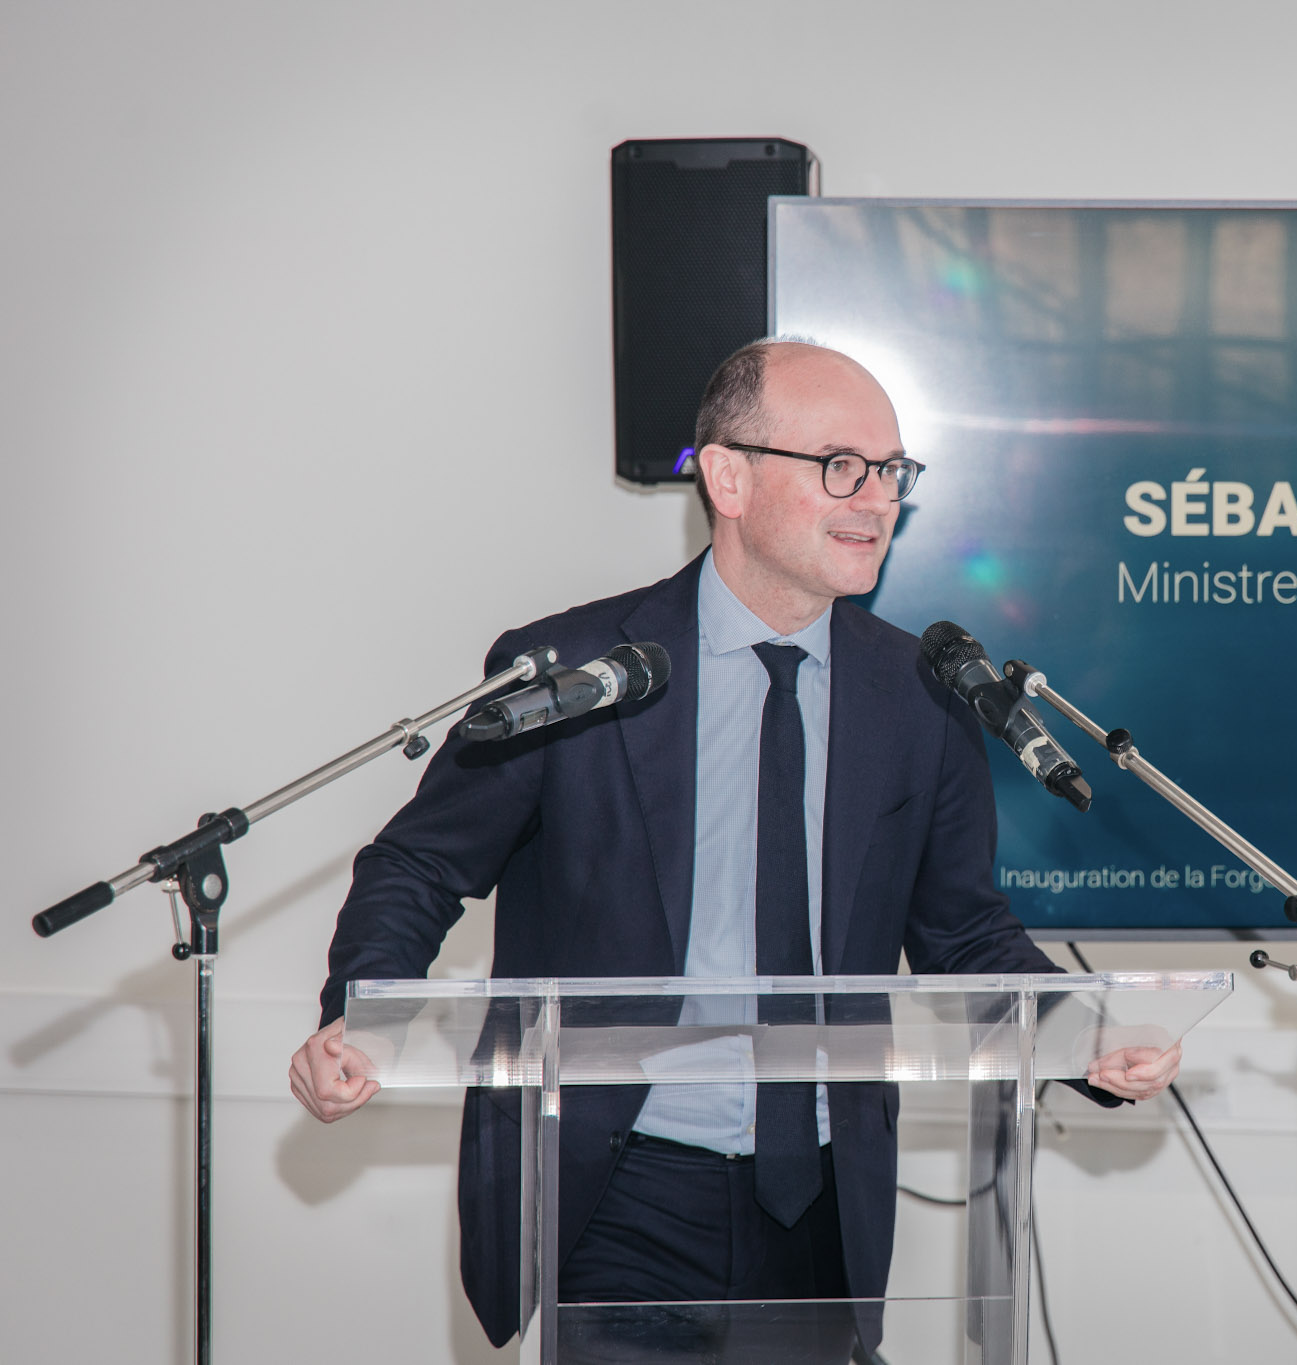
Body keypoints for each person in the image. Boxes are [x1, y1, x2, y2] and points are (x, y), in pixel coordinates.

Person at [287, 339, 1180, 1355]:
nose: (878, 499)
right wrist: (361, 1016)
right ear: (728, 477)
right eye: (841, 466)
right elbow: (420, 864)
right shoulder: (580, 671)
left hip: (821, 1204)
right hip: (618, 1186)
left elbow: (963, 932)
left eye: (892, 471)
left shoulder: (918, 697)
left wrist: (1082, 1036)